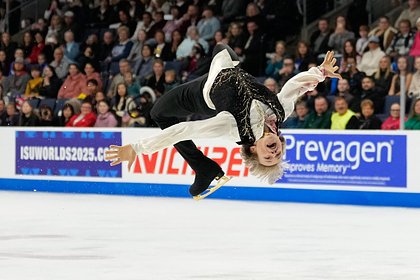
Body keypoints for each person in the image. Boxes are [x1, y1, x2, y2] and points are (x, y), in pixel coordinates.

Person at [105, 45, 341, 199]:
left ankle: (203, 168)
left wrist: (138, 149)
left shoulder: (232, 127)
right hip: (227, 63)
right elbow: (294, 87)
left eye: (268, 157)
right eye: (277, 155)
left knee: (159, 113)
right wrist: (320, 72)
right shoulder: (280, 114)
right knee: (221, 48)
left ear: (252, 149)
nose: (274, 153)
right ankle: (205, 168)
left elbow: (184, 128)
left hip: (200, 95)